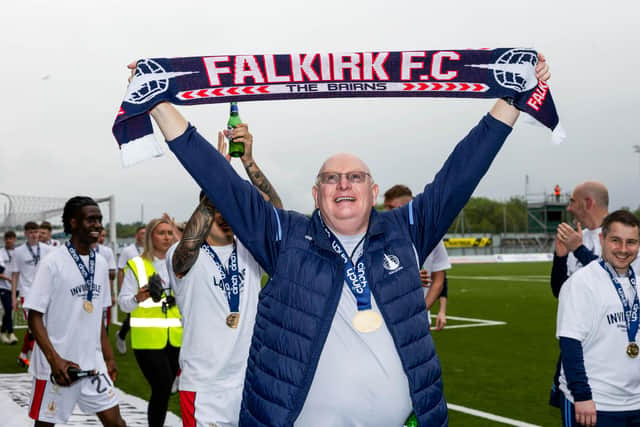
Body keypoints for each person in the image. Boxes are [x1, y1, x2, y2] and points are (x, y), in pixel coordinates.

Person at [138, 55, 550, 426]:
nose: (343, 184)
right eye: (330, 178)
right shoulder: (286, 237)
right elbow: (219, 181)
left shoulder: (406, 230)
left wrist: (511, 100)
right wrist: (158, 102)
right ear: (316, 196)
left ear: (374, 192)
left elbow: (462, 172)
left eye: (355, 177)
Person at [167, 126, 282, 427]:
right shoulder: (182, 254)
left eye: (232, 207)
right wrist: (215, 176)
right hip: (204, 387)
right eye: (220, 206)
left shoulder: (249, 249)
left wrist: (248, 161)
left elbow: (277, 216)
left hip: (250, 379)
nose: (226, 214)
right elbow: (187, 249)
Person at [24, 196, 125, 426]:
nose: (98, 225)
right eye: (91, 219)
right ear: (73, 223)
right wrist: (54, 360)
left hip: (93, 363)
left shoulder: (99, 263)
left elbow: (97, 315)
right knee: (45, 424)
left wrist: (107, 357)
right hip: (58, 365)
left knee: (116, 422)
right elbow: (34, 316)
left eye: (99, 219)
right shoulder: (52, 262)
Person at [557, 210, 640, 426]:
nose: (623, 249)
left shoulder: (638, 284)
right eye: (616, 241)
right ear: (602, 240)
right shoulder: (581, 283)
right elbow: (570, 343)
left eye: (631, 242)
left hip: (635, 403)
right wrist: (582, 396)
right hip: (594, 405)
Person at [548, 181, 609, 407]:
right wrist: (561, 256)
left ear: (588, 202)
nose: (570, 207)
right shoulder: (576, 236)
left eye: (573, 201)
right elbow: (558, 290)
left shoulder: (620, 239)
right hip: (575, 345)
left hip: (606, 349)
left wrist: (579, 250)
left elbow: (615, 281)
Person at [118, 217, 181, 427]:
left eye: (169, 233)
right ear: (150, 237)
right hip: (148, 340)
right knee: (162, 386)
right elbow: (123, 304)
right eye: (161, 233)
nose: (166, 237)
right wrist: (139, 297)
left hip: (177, 337)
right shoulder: (137, 265)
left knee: (169, 387)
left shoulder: (180, 263)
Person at [383, 184, 451, 330]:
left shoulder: (431, 236)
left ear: (407, 208)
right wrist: (404, 278)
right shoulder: (379, 237)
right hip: (386, 321)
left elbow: (439, 280)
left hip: (419, 322)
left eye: (391, 208)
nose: (385, 212)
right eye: (385, 207)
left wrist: (420, 311)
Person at [11, 221, 53, 367]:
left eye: (36, 232)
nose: (34, 235)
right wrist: (13, 298)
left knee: (43, 326)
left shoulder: (48, 249)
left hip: (44, 292)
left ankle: (24, 355)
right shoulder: (18, 252)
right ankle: (33, 357)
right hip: (27, 293)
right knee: (33, 327)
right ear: (26, 234)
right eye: (31, 232)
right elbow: (15, 275)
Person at [115, 225, 145, 354]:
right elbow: (121, 269)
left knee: (142, 316)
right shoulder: (128, 251)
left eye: (146, 233)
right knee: (132, 316)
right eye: (141, 233)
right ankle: (121, 336)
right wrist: (121, 288)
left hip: (146, 288)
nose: (144, 235)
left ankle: (124, 335)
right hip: (131, 287)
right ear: (136, 236)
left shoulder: (152, 250)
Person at [93, 228, 117, 332]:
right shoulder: (81, 249)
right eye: (100, 236)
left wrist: (112, 294)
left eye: (103, 236)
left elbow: (111, 274)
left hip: (102, 292)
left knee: (103, 326)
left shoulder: (107, 251)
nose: (102, 239)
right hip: (84, 292)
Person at [1, 230, 18, 344]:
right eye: (7, 238)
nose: (9, 240)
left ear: (14, 239)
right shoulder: (1, 252)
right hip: (3, 286)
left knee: (9, 310)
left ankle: (2, 333)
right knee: (8, 309)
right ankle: (11, 334)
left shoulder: (19, 252)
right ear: (4, 240)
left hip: (15, 287)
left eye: (11, 238)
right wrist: (9, 279)